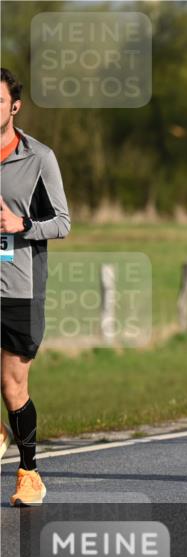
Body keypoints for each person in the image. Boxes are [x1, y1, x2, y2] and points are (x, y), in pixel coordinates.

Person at [0, 68, 71, 506]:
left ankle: (29, 472)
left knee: (13, 385)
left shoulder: (38, 157)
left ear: (14, 106)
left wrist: (19, 224)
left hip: (18, 286)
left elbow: (62, 222)